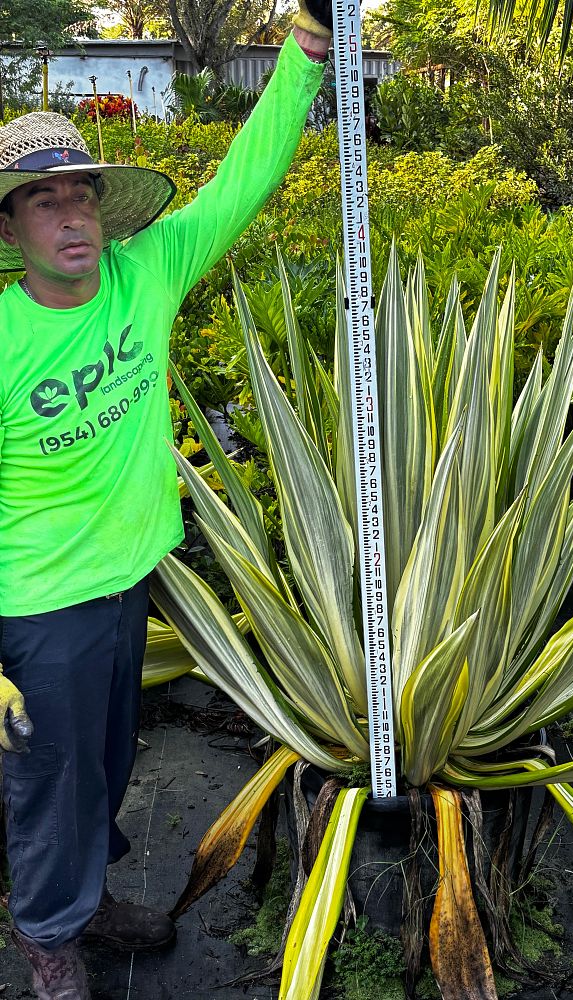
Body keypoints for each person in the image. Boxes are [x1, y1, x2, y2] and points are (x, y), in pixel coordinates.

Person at [0, 1, 334, 996]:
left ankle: (88, 899)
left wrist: (307, 47)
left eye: (82, 195)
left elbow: (242, 180)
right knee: (51, 781)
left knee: (106, 761)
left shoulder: (145, 275)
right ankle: (48, 936)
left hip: (131, 579)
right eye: (44, 201)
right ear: (10, 226)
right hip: (37, 604)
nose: (72, 216)